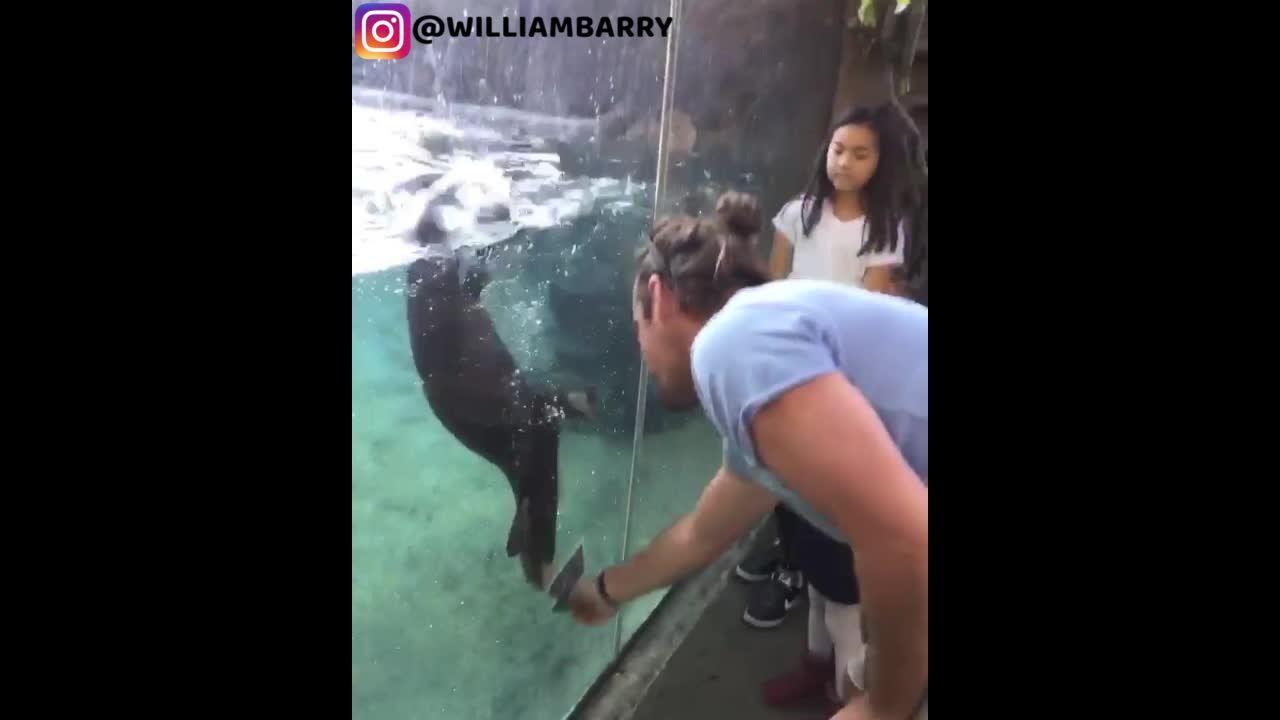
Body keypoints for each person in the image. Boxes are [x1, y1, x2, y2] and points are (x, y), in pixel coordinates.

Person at [566, 191, 928, 720]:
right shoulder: (763, 377)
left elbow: (903, 538)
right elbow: (702, 533)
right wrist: (603, 591)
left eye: (637, 325)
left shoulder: (732, 342)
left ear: (658, 295)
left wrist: (886, 704)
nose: (641, 349)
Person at [742, 102, 916, 710]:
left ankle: (856, 697)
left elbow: (870, 322)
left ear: (880, 162)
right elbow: (771, 291)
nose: (843, 162)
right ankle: (816, 670)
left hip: (842, 397)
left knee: (841, 576)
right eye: (838, 148)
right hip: (789, 382)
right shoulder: (798, 213)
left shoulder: (883, 231)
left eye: (860, 153)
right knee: (812, 552)